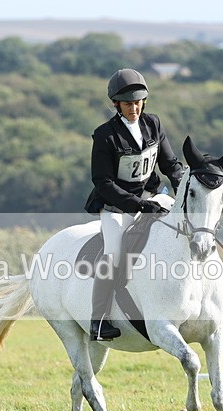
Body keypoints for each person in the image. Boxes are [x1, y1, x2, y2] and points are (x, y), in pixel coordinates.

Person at [84, 68, 183, 341]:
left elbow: (170, 165)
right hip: (116, 205)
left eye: (138, 102)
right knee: (113, 254)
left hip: (150, 196)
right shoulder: (105, 135)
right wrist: (138, 205)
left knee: (190, 230)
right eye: (128, 104)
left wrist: (182, 189)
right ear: (116, 104)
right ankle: (99, 320)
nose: (134, 108)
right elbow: (103, 182)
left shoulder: (153, 124)